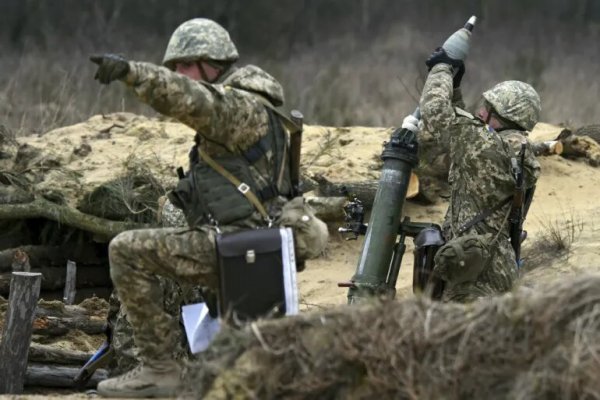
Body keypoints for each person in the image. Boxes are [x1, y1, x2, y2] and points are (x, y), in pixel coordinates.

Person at [90, 18, 328, 398]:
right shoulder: (256, 111)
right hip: (252, 248)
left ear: (209, 63)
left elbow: (185, 97)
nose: (180, 75)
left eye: (183, 67)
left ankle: (159, 369)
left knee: (127, 250)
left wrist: (132, 73)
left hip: (236, 244)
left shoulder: (237, 108)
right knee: (242, 366)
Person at [419, 48, 541, 303]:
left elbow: (435, 113)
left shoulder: (486, 145)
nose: (481, 112)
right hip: (495, 265)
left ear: (504, 117)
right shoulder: (513, 149)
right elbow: (467, 134)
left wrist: (441, 69)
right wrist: (455, 88)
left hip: (470, 276)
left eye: (488, 109)